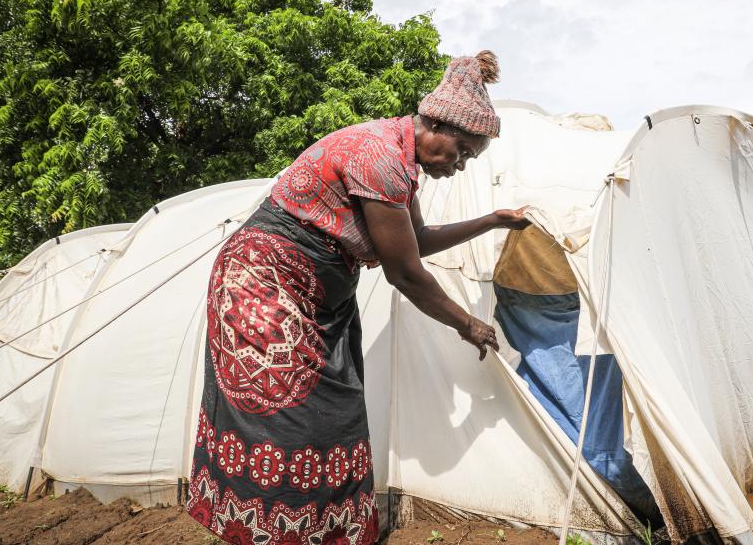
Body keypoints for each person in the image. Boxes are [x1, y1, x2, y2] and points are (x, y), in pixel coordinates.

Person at [186, 51, 530, 544]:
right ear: (433, 122)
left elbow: (420, 239)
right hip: (264, 285)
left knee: (336, 413)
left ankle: (322, 533)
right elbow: (406, 273)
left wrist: (493, 220)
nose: (459, 165)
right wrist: (467, 324)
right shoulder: (380, 157)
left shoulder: (400, 166)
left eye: (469, 158)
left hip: (316, 296)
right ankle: (270, 533)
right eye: (460, 151)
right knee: (289, 419)